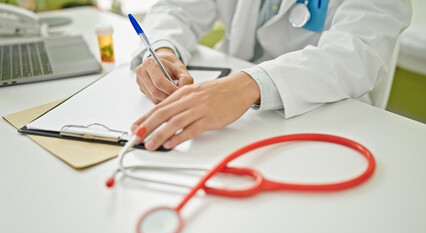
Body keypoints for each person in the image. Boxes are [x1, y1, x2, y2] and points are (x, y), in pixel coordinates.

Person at [129, 0, 411, 151]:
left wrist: (247, 86)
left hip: (325, 118)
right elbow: (177, 8)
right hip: (228, 110)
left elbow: (356, 53)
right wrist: (163, 49)